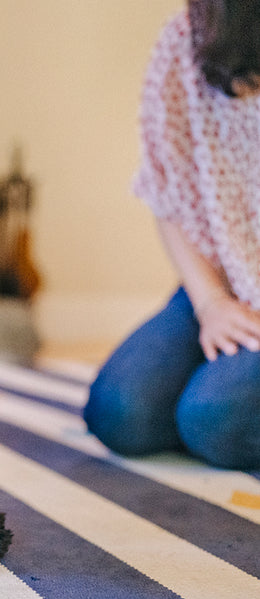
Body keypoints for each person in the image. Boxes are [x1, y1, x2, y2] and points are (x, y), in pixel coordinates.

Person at [83, 0, 260, 470]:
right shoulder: (187, 39)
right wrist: (212, 303)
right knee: (120, 414)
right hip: (225, 277)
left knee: (213, 419)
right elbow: (169, 192)